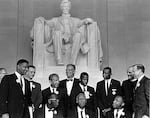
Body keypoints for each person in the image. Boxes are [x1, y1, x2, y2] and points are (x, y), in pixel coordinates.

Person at [31, 0, 103, 67]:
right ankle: (59, 60)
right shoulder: (56, 20)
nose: (66, 8)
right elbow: (47, 22)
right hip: (60, 39)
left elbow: (82, 22)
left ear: (69, 8)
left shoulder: (75, 20)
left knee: (78, 35)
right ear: (61, 8)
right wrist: (41, 19)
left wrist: (87, 20)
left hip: (72, 38)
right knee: (57, 33)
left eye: (67, 6)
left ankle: (72, 62)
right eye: (64, 6)